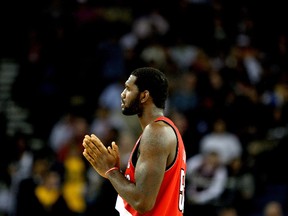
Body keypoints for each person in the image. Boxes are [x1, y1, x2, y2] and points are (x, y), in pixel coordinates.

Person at [82, 67, 187, 215]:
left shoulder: (156, 133)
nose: (122, 94)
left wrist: (111, 172)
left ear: (144, 96)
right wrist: (116, 172)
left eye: (128, 89)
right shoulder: (162, 131)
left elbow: (142, 202)